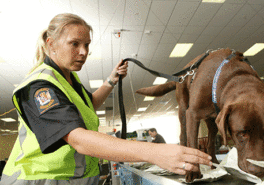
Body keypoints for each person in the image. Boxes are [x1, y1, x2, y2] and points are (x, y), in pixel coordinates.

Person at [0, 13, 211, 185]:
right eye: (74, 44)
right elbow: (76, 138)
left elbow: (88, 104)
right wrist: (154, 152)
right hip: (38, 179)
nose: (83, 52)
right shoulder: (39, 85)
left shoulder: (68, 78)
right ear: (51, 44)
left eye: (87, 44)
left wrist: (111, 80)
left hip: (73, 179)